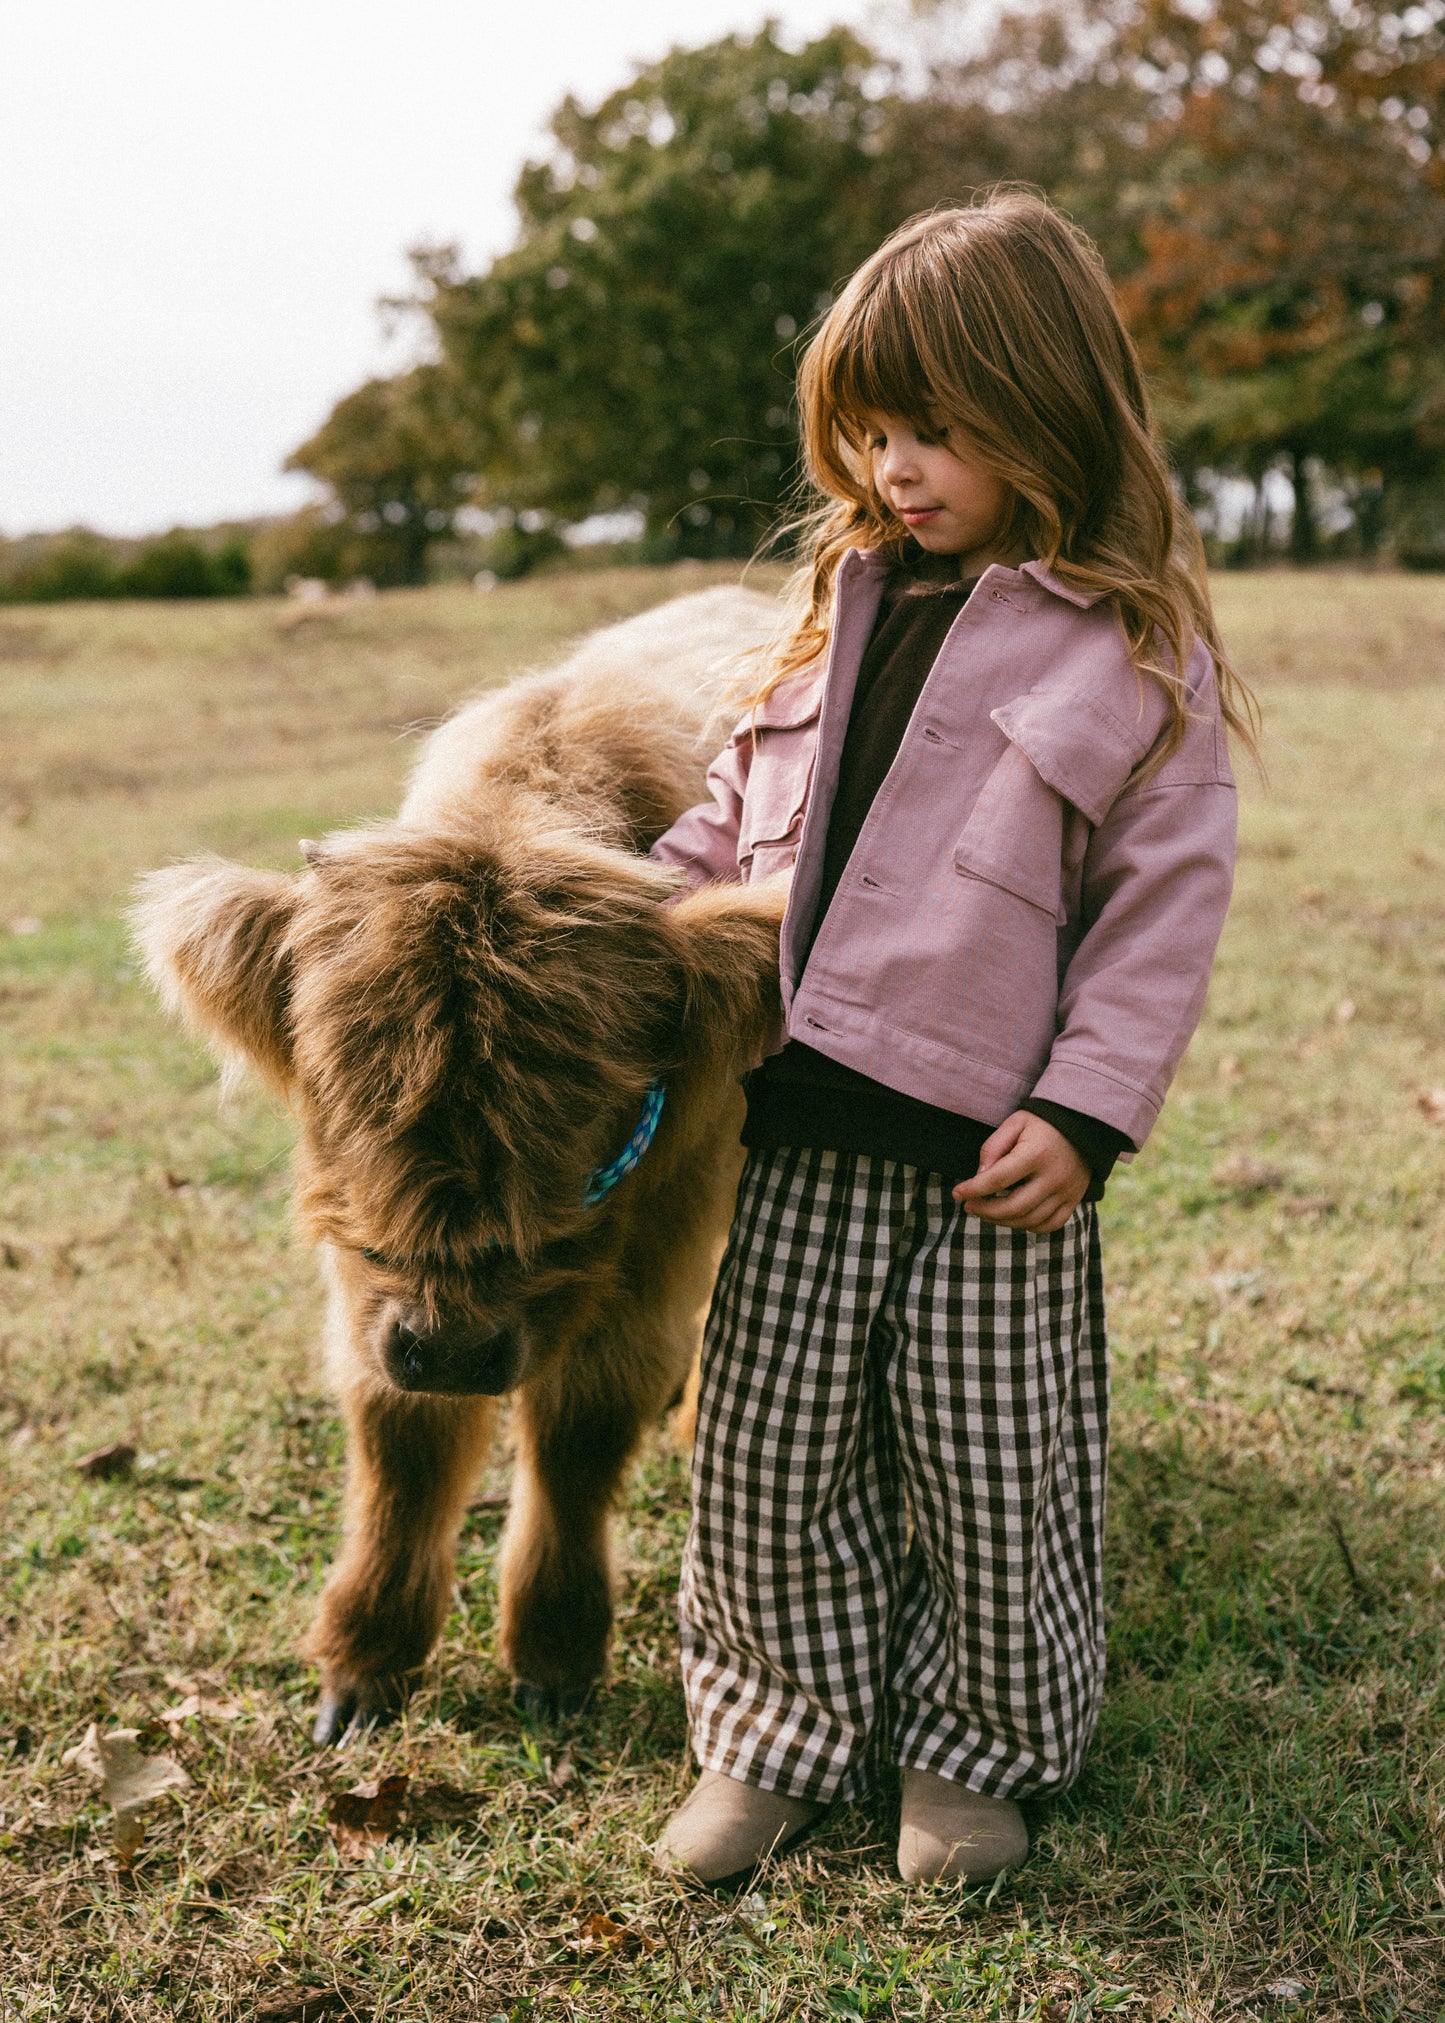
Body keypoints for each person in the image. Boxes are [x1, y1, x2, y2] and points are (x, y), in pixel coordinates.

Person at [648, 189, 1259, 1889]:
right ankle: (770, 1735)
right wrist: (633, 917)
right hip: (791, 1128)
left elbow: (1158, 917)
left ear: (1046, 413)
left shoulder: (1128, 653)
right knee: (769, 1460)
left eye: (940, 429)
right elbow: (727, 821)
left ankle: (972, 1751)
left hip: (989, 1156)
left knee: (990, 1478)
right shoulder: (829, 608)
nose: (897, 464)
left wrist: (1088, 1112)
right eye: (870, 428)